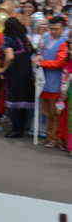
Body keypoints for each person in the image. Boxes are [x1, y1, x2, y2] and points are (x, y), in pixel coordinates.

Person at [0, 17, 36, 138]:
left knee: (14, 100)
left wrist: (3, 69)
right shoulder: (25, 38)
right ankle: (23, 127)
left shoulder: (8, 39)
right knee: (24, 100)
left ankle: (16, 129)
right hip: (27, 71)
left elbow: (9, 57)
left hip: (15, 72)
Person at [34, 17, 69, 147]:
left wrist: (42, 63)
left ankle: (55, 138)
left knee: (55, 112)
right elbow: (39, 52)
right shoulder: (46, 37)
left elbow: (60, 62)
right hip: (43, 80)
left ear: (63, 29)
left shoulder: (64, 42)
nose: (53, 31)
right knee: (46, 111)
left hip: (56, 81)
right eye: (52, 28)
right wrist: (38, 57)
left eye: (56, 29)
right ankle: (49, 136)